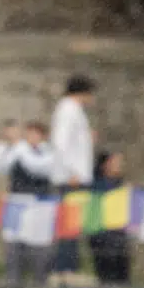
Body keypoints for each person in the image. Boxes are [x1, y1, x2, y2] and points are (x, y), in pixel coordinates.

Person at [0, 120, 56, 288]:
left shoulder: (47, 152)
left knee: (39, 245)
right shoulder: (16, 150)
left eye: (36, 133)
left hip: (39, 204)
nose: (31, 137)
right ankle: (13, 281)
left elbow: (37, 167)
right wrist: (7, 145)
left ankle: (40, 282)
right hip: (16, 202)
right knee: (13, 243)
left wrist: (19, 147)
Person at [50, 74, 96, 274]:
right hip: (72, 178)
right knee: (69, 225)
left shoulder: (73, 110)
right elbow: (61, 143)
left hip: (75, 176)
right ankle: (65, 268)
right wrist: (73, 172)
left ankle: (70, 267)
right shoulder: (68, 109)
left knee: (74, 225)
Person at [88, 150, 131, 286]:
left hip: (120, 237)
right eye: (116, 162)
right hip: (103, 237)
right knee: (106, 276)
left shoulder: (120, 183)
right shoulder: (97, 185)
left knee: (122, 275)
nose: (119, 165)